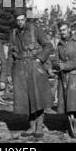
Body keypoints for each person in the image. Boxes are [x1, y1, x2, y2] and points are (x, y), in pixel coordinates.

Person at [8, 8, 54, 139]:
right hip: (20, 69)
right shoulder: (13, 34)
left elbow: (48, 45)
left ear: (26, 19)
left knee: (38, 97)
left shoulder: (35, 29)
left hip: (35, 67)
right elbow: (10, 55)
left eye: (22, 19)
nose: (20, 22)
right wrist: (8, 74)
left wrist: (40, 58)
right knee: (27, 99)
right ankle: (31, 126)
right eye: (18, 20)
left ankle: (39, 127)